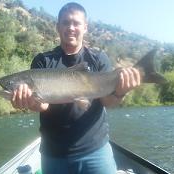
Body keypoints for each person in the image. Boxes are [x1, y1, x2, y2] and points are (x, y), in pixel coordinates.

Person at [11, 2, 141, 174]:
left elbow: (108, 102)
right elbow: (43, 106)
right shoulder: (43, 61)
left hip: (96, 150)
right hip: (54, 154)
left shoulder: (99, 59)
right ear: (58, 27)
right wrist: (29, 102)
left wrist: (120, 92)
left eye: (76, 23)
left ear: (85, 27)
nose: (71, 27)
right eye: (65, 22)